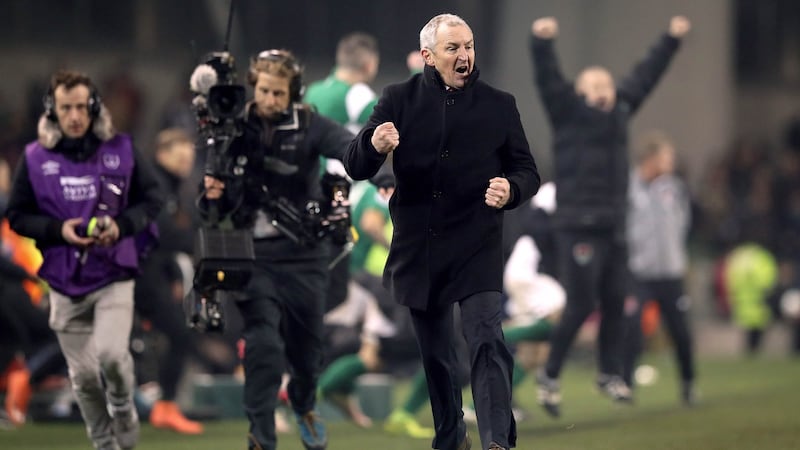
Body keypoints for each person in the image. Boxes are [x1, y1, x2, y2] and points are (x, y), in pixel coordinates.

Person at [344, 13, 540, 450]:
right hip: (421, 248)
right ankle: (451, 440)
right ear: (429, 57)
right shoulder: (398, 98)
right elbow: (355, 165)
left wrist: (511, 189)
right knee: (436, 358)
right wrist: (373, 145)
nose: (465, 55)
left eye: (468, 46)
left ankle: (496, 442)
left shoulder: (499, 104)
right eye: (453, 48)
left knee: (487, 339)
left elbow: (527, 171)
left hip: (478, 244)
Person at [528, 15, 690, 417]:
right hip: (576, 224)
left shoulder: (621, 111)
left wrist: (670, 39)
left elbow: (647, 74)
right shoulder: (566, 112)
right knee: (582, 304)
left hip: (612, 224)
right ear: (580, 92)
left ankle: (609, 373)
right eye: (595, 85)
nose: (604, 90)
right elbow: (546, 78)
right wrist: (541, 43)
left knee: (618, 298)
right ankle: (549, 374)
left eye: (606, 84)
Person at [198, 49, 355, 450]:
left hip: (304, 255)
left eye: (279, 93)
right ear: (253, 87)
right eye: (264, 91)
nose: (270, 100)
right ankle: (261, 435)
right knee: (263, 344)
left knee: (307, 352)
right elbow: (211, 200)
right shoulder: (231, 123)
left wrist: (382, 165)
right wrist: (212, 192)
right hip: (254, 255)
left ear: (293, 93)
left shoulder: (310, 124)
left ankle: (303, 402)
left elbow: (347, 147)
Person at [5, 69, 162, 450]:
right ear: (52, 110)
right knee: (84, 377)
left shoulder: (122, 149)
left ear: (93, 108)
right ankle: (104, 443)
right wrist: (59, 231)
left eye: (80, 107)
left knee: (110, 356)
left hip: (113, 271)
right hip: (63, 278)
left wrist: (122, 226)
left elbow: (153, 199)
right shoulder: (35, 158)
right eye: (65, 108)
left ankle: (123, 405)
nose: (74, 116)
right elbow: (17, 216)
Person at [133, 127, 204, 434]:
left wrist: (173, 273)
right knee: (180, 334)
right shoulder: (156, 186)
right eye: (179, 153)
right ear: (162, 155)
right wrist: (203, 244)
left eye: (189, 153)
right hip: (136, 276)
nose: (186, 159)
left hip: (148, 273)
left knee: (177, 334)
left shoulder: (168, 187)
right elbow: (161, 234)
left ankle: (162, 405)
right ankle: (165, 405)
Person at [621, 131, 697, 405]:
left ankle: (688, 384)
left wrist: (676, 255)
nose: (671, 161)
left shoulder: (673, 188)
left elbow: (684, 223)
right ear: (651, 159)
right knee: (632, 327)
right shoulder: (628, 186)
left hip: (670, 273)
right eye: (667, 156)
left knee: (680, 331)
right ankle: (625, 386)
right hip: (638, 273)